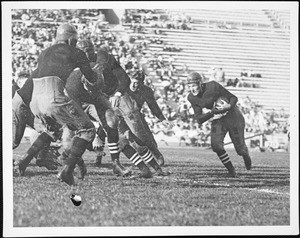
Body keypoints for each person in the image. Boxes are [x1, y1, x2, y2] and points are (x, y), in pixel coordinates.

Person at [15, 23, 100, 186]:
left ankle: (23, 162)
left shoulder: (44, 52)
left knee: (53, 129)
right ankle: (67, 171)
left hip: (35, 100)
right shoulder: (76, 52)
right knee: (88, 130)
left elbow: (37, 75)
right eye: (74, 41)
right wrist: (96, 77)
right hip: (52, 95)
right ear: (70, 40)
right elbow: (92, 79)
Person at [186, 71, 252, 177]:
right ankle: (231, 170)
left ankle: (245, 154)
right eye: (190, 86)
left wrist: (229, 106)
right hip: (218, 118)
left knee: (240, 149)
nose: (192, 89)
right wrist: (212, 112)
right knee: (216, 146)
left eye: (194, 85)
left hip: (233, 116)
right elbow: (199, 119)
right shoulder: (191, 98)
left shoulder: (213, 86)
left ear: (200, 83)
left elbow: (233, 98)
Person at [127, 70, 174, 166]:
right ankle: (100, 157)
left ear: (142, 83)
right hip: (121, 115)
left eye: (137, 83)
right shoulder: (122, 87)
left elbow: (153, 106)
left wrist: (162, 119)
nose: (133, 85)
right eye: (132, 82)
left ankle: (157, 155)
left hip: (136, 116)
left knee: (146, 138)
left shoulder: (146, 90)